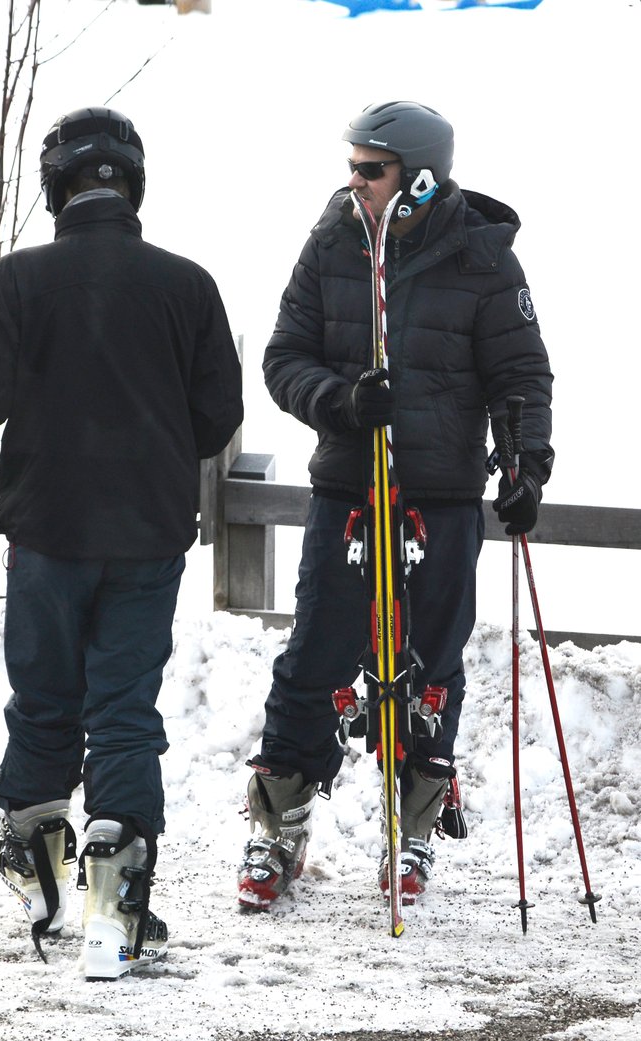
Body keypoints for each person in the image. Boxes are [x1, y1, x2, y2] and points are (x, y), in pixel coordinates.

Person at [0, 106, 243, 978]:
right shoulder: (188, 285)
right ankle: (115, 900)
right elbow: (217, 421)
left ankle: (38, 860)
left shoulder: (17, 281)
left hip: (46, 532)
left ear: (56, 187)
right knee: (123, 709)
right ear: (132, 183)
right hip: (150, 536)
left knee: (44, 700)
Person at [237, 100, 553, 910]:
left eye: (368, 168)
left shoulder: (483, 259)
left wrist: (524, 468)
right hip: (349, 483)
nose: (353, 180)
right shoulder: (333, 238)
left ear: (417, 177)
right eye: (350, 164)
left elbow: (522, 378)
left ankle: (411, 826)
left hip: (440, 493)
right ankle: (279, 823)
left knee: (432, 666)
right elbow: (283, 358)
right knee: (315, 655)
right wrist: (342, 401)